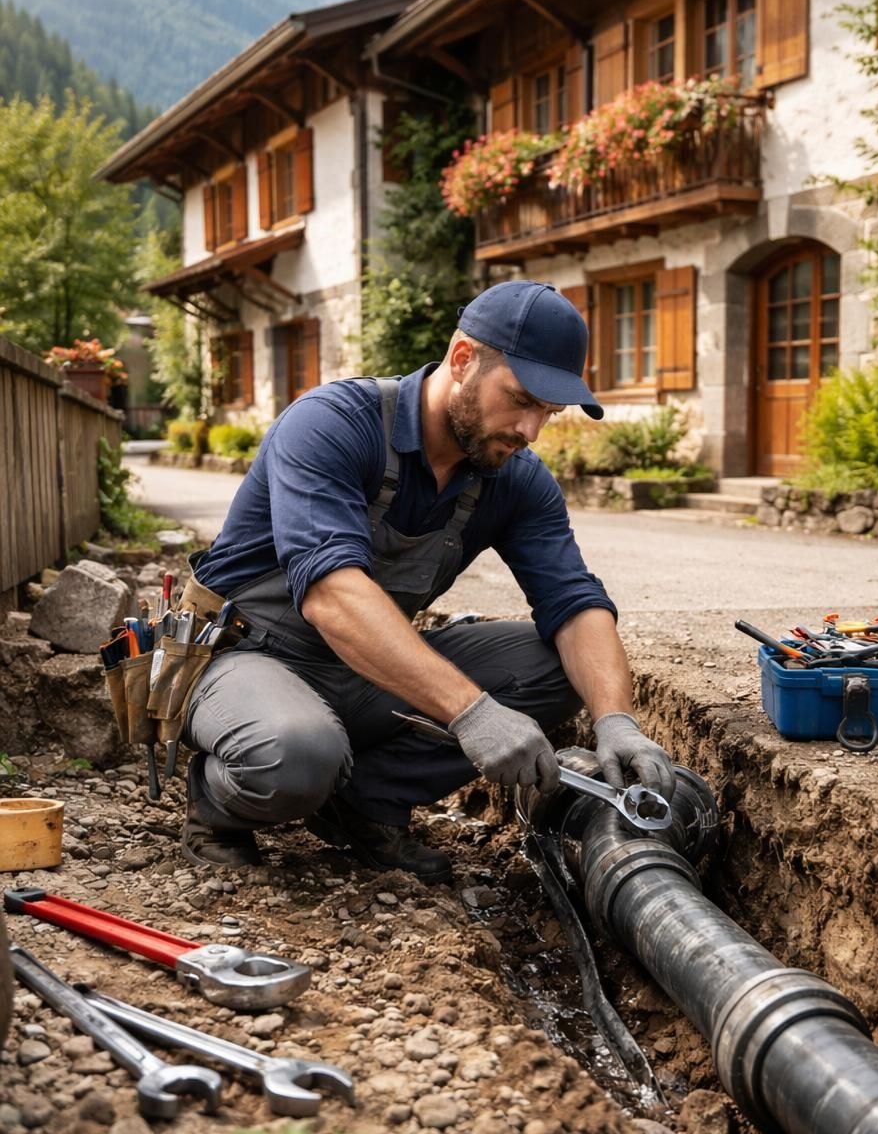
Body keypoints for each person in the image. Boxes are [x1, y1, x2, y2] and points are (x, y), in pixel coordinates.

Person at [180, 280, 676, 879]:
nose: (530, 430)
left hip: (363, 672)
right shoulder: (334, 424)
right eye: (520, 399)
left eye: (549, 411)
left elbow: (574, 602)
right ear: (464, 359)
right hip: (250, 656)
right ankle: (217, 809)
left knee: (553, 666)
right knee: (298, 752)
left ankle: (365, 803)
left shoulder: (515, 477)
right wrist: (472, 712)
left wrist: (615, 720)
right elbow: (332, 595)